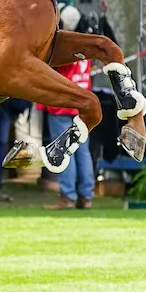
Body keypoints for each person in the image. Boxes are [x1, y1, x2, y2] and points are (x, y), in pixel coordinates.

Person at [43, 60, 96, 211]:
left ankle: (68, 197)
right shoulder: (85, 47)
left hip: (62, 105)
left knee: (64, 151)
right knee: (83, 152)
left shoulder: (67, 48)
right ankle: (86, 197)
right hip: (83, 105)